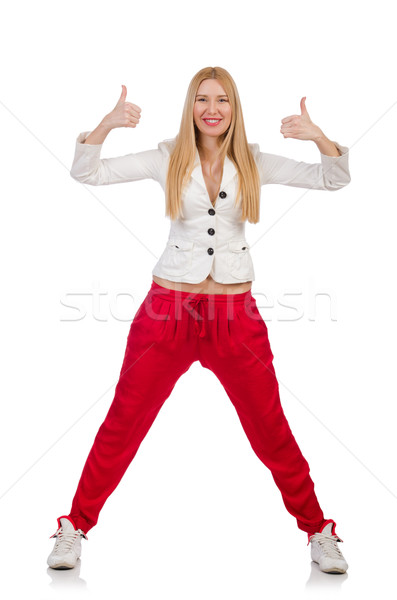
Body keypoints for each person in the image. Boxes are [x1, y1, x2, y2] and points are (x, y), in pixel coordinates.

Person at [48, 66, 350, 574]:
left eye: (223, 100)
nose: (213, 109)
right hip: (166, 313)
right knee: (124, 422)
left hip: (236, 317)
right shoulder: (169, 157)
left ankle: (320, 531)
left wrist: (318, 136)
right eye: (203, 99)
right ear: (190, 107)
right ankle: (73, 527)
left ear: (235, 108)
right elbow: (87, 173)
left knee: (270, 428)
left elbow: (333, 178)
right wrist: (104, 125)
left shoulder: (253, 160)